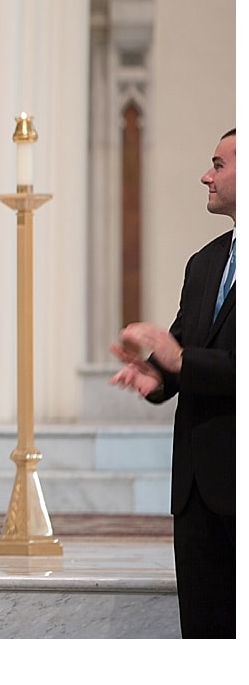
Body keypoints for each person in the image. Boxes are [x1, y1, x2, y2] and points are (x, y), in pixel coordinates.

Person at [109, 128, 235, 639]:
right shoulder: (204, 263)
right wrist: (154, 378)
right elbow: (184, 354)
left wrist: (181, 360)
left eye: (219, 165)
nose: (206, 175)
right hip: (198, 492)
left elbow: (193, 357)